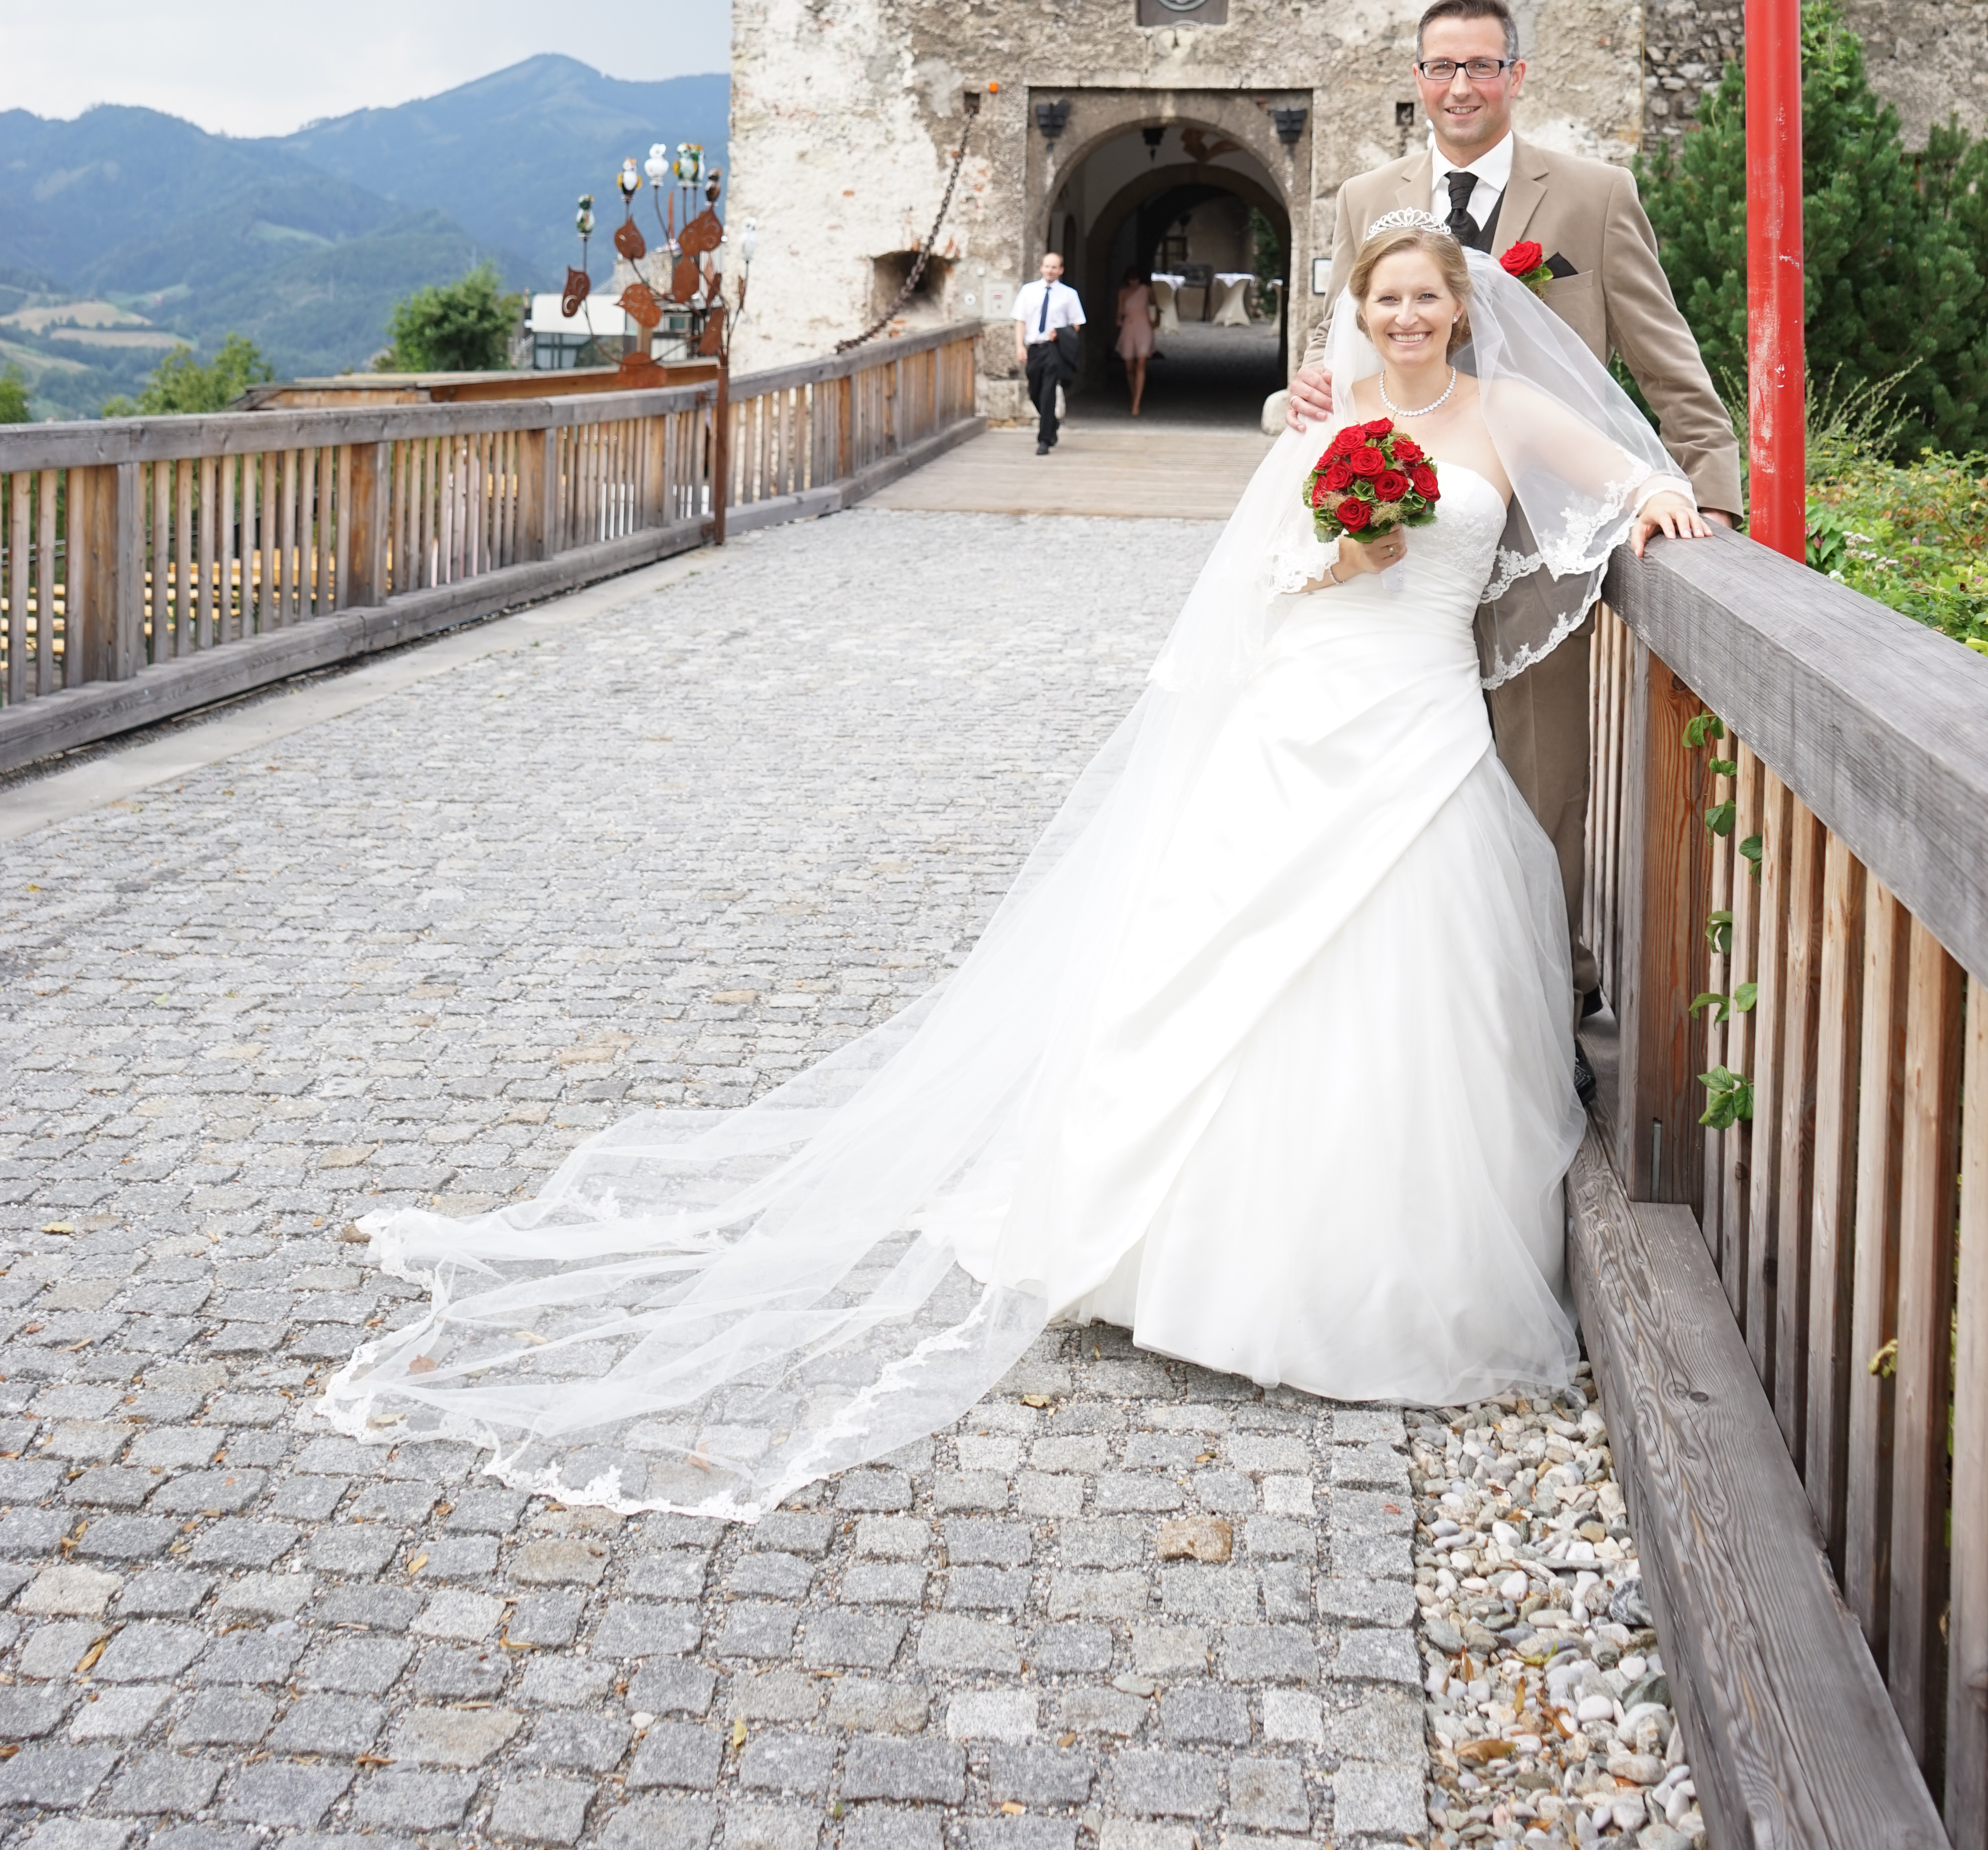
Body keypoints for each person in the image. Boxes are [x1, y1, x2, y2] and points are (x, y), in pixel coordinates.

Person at [324, 221, 1702, 1520]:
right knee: (1229, 956)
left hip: (1419, 723)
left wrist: (1664, 501)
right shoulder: (1325, 424)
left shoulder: (1502, 415)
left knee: (1415, 972)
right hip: (1309, 706)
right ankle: (1182, 1254)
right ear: (1362, 314)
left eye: (1425, 299)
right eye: (1384, 300)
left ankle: (1388, 1267)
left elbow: (1628, 468)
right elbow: (1273, 575)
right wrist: (1349, 552)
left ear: (1462, 311)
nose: (1405, 317)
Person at [1288, 0, 1741, 1037]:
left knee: (1541, 790)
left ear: (1515, 76)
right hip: (1403, 543)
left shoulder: (1588, 195)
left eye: (1481, 67)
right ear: (1416, 79)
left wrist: (1704, 493)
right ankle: (1413, 1006)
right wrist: (1299, 391)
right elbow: (1333, 347)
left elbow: (1663, 354)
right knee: (1402, 786)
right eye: (1440, 68)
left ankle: (1546, 1000)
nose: (1459, 87)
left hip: (1542, 547)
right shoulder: (1367, 196)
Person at [1012, 251, 1084, 455]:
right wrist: (1019, 346)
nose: (1050, 271)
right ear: (1041, 268)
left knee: (1048, 393)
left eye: (1054, 267)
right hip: (1035, 348)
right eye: (1047, 266)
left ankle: (1044, 440)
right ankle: (1051, 423)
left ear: (1061, 270)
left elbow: (1077, 323)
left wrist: (1060, 334)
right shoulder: (1029, 291)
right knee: (1034, 391)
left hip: (1054, 349)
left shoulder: (1069, 295)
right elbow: (1020, 320)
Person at [1114, 266, 1159, 416]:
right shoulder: (1123, 292)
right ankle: (1135, 396)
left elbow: (1154, 305)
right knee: (1129, 367)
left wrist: (1156, 319)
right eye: (1131, 279)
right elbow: (1120, 310)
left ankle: (1136, 403)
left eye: (1136, 279)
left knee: (1141, 364)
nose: (1134, 282)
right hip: (1129, 327)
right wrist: (1119, 319)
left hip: (1144, 326)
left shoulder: (1146, 290)